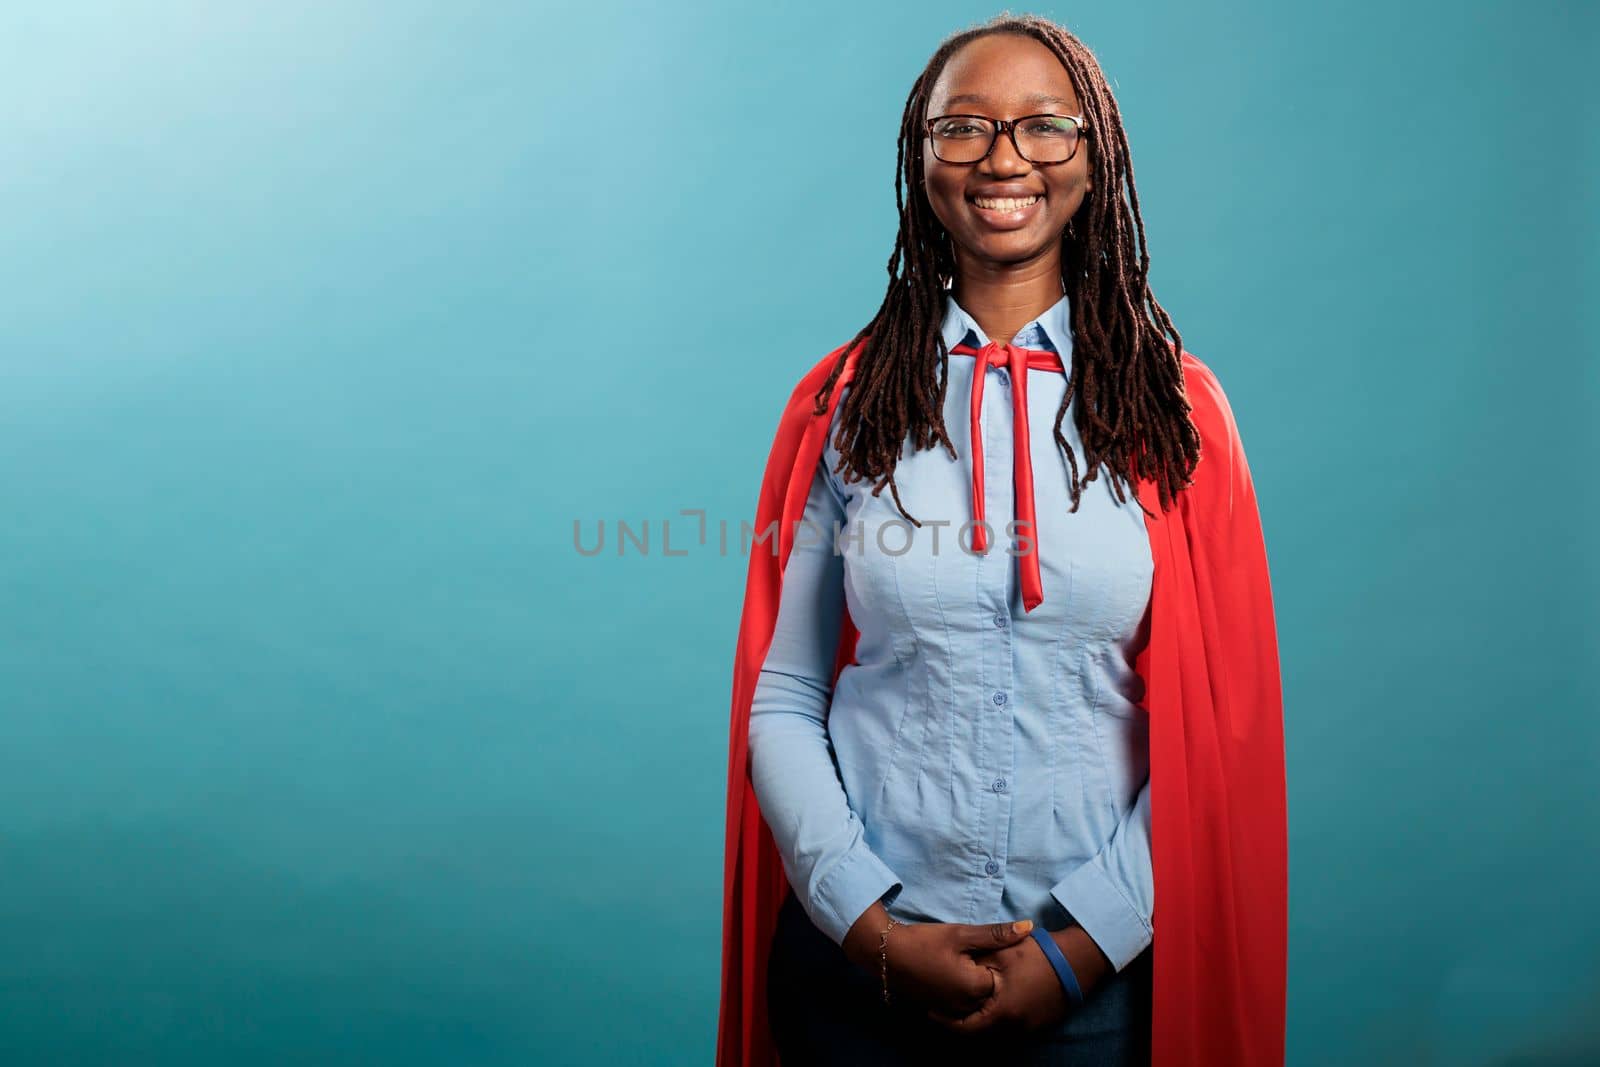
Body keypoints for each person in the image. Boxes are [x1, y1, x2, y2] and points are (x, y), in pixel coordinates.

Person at [717, 14, 1287, 1067]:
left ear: (1094, 155)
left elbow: (1214, 731)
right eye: (963, 127)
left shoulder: (1176, 412)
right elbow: (785, 692)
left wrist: (1079, 950)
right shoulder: (843, 405)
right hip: (854, 978)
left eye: (1044, 127)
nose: (1003, 158)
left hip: (1098, 988)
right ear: (920, 155)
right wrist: (866, 925)